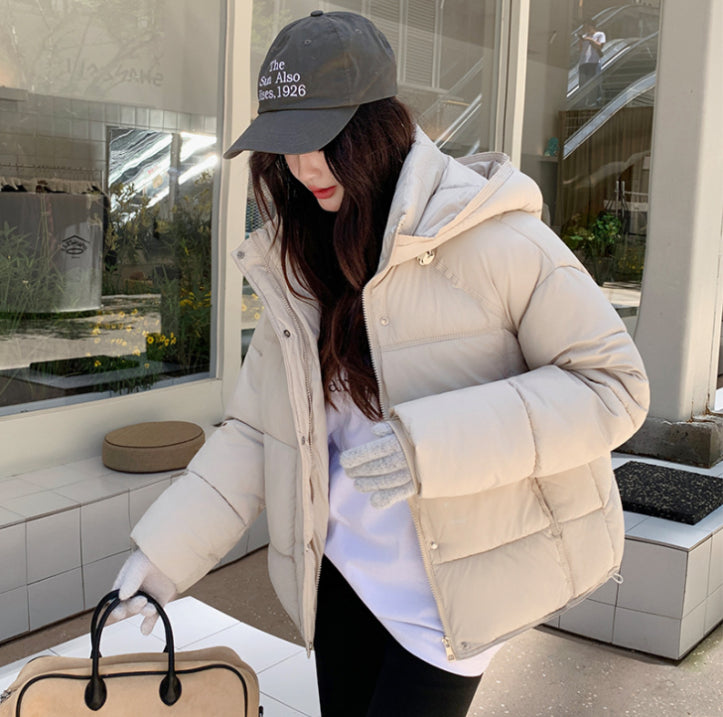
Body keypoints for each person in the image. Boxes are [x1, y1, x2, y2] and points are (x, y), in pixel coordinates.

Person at [110, 10, 649, 717]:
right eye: (286, 146)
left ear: (377, 128)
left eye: (323, 140)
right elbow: (256, 431)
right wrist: (163, 557)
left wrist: (430, 443)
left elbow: (613, 386)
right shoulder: (300, 259)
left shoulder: (499, 238)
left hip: (449, 600)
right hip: (341, 577)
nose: (303, 168)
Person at [578, 18, 606, 105]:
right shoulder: (584, 36)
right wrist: (581, 41)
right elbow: (580, 50)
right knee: (582, 83)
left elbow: (600, 46)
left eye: (587, 26)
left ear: (592, 26)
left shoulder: (600, 34)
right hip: (583, 63)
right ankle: (583, 102)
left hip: (594, 62)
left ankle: (595, 101)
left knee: (593, 83)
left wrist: (590, 39)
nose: (585, 28)